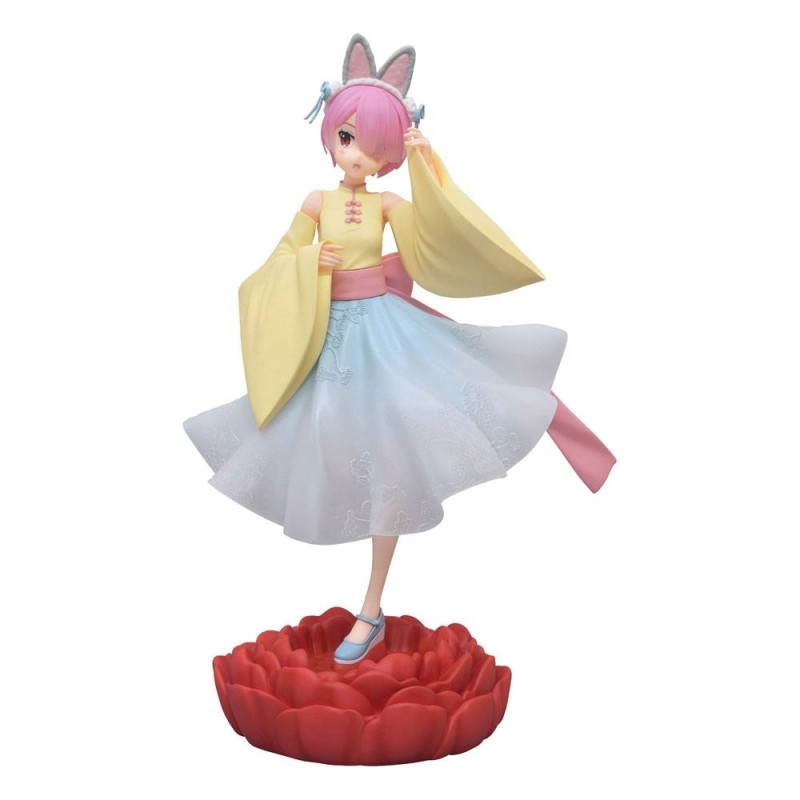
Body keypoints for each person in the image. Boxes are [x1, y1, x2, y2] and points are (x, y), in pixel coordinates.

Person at [183, 34, 615, 665]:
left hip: (384, 337)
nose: (356, 154)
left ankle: (371, 605)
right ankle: (363, 598)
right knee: (319, 440)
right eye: (347, 138)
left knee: (396, 451)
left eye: (373, 146)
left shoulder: (388, 203)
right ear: (331, 135)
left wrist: (426, 166)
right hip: (325, 339)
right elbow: (271, 265)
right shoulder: (316, 203)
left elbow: (436, 236)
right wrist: (309, 262)